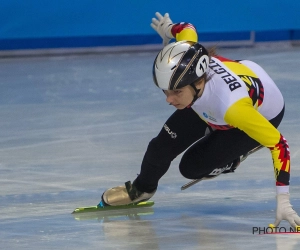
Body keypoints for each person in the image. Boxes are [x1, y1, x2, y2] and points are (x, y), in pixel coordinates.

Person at [100, 12, 300, 229]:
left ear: (197, 83)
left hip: (260, 113)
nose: (168, 99)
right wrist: (168, 28)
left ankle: (235, 155)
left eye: (175, 92)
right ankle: (142, 189)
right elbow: (187, 28)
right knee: (159, 148)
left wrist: (283, 200)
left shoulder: (232, 108)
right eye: (165, 91)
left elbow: (279, 145)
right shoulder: (191, 62)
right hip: (221, 92)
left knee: (192, 167)